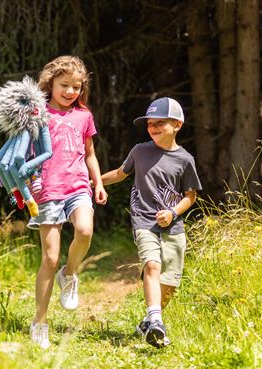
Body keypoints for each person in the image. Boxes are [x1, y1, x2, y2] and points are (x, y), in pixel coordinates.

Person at [101, 97, 202, 348]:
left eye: (160, 123)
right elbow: (120, 174)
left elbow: (191, 196)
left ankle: (149, 321)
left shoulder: (185, 160)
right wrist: (93, 182)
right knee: (152, 267)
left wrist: (173, 213)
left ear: (177, 124)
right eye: (149, 124)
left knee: (169, 283)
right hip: (144, 221)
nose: (153, 128)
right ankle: (157, 321)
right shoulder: (140, 151)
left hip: (173, 227)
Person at [28, 56, 108, 349]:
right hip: (47, 191)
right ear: (50, 83)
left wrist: (97, 182)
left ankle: (70, 273)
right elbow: (21, 152)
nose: (71, 91)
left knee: (85, 231)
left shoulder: (83, 116)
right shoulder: (37, 115)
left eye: (77, 86)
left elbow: (89, 155)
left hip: (77, 186)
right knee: (49, 258)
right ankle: (40, 320)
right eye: (65, 85)